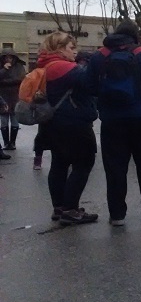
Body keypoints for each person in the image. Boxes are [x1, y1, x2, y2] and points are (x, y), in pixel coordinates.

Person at [87, 20, 141, 225]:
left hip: (112, 118)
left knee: (115, 167)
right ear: (135, 34)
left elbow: (90, 86)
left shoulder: (100, 55)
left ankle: (117, 215)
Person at [36, 32, 99, 225]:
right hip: (74, 122)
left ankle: (59, 207)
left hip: (52, 122)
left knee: (59, 164)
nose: (75, 52)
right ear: (60, 48)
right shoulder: (66, 68)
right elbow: (92, 85)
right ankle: (70, 208)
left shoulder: (45, 66)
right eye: (72, 48)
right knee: (83, 163)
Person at [0, 47, 26, 151]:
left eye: (10, 57)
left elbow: (21, 79)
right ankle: (6, 143)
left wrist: (5, 81)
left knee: (15, 121)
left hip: (16, 97)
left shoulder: (19, 66)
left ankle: (13, 142)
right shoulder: (1, 67)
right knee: (4, 121)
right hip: (2, 97)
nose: (8, 59)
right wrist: (4, 70)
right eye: (6, 57)